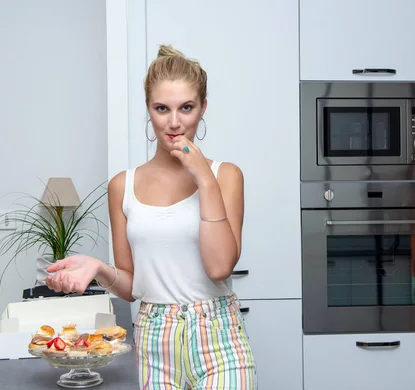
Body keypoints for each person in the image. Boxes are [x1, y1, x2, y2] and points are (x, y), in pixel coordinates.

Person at [46, 44, 257, 389]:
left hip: (218, 338)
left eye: (186, 107)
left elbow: (220, 268)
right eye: (162, 108)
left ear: (203, 108)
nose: (174, 123)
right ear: (148, 109)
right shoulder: (122, 185)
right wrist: (99, 268)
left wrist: (204, 177)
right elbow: (133, 287)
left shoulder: (225, 175)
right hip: (155, 342)